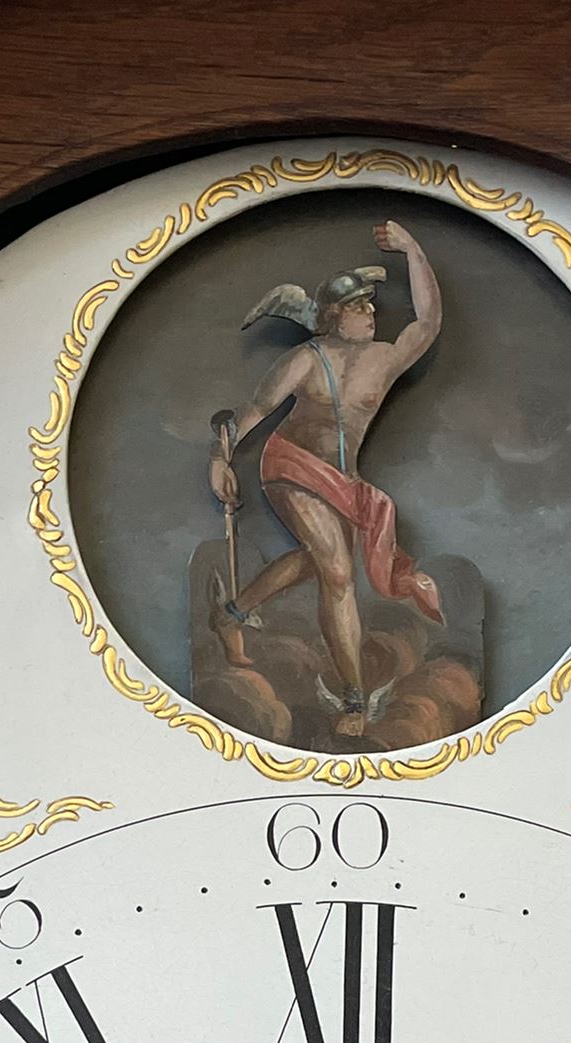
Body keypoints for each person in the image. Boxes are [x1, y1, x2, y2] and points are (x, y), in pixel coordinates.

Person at [210, 220, 443, 737]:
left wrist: (412, 248)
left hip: (344, 481)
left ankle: (231, 613)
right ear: (333, 317)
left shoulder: (384, 360)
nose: (370, 314)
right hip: (292, 466)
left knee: (318, 563)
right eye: (358, 307)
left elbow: (426, 322)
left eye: (369, 306)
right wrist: (221, 459)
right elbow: (257, 408)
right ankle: (354, 698)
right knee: (337, 572)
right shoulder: (305, 359)